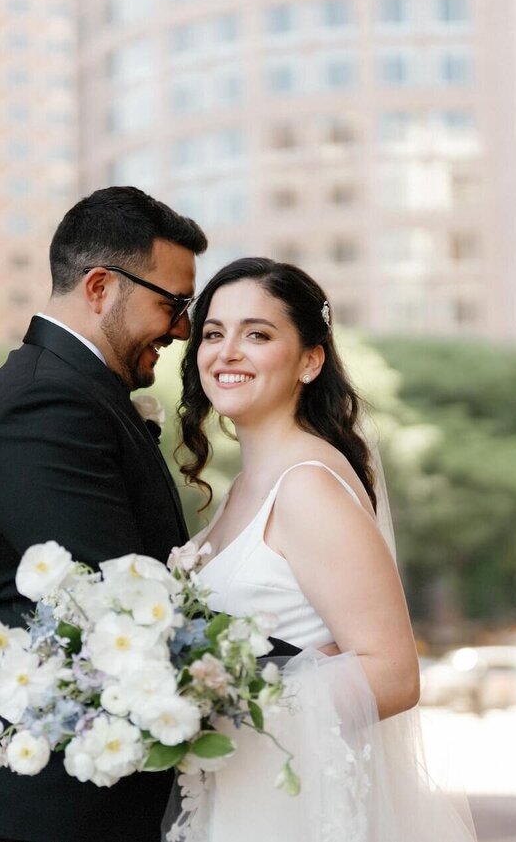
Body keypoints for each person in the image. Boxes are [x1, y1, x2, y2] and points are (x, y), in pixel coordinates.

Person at [168, 257, 476, 841]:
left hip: (289, 805)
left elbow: (393, 674)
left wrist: (215, 698)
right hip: (238, 789)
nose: (227, 351)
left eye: (256, 334)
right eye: (214, 333)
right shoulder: (245, 488)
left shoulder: (307, 485)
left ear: (310, 360)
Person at [0, 186, 207, 842]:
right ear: (99, 287)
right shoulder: (44, 405)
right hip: (63, 803)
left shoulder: (85, 392)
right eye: (173, 305)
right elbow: (109, 598)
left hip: (95, 796)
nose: (183, 330)